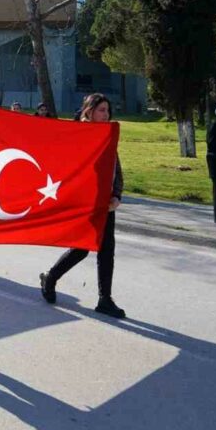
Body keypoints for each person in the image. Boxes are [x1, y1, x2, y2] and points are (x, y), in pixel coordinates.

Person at [38, 93, 126, 319]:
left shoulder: (108, 136)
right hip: (85, 204)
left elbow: (116, 168)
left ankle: (104, 299)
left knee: (107, 250)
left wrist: (116, 195)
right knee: (82, 247)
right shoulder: (78, 136)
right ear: (89, 112)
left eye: (107, 110)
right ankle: (51, 277)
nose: (106, 115)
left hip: (105, 204)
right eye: (101, 110)